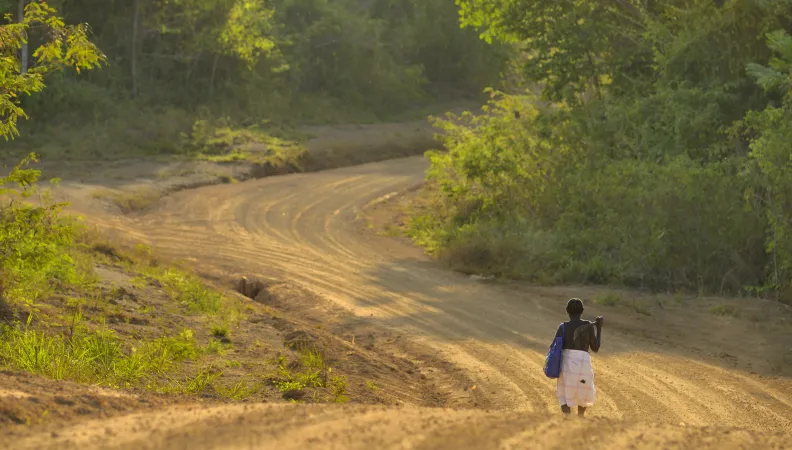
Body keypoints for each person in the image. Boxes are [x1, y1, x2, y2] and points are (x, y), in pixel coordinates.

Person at [553, 298, 603, 417]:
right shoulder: (588, 326)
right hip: (583, 362)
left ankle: (567, 416)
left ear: (567, 311)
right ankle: (580, 415)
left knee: (563, 389)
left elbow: (554, 347)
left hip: (567, 363)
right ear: (582, 311)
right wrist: (599, 328)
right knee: (583, 387)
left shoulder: (563, 327)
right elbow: (595, 348)